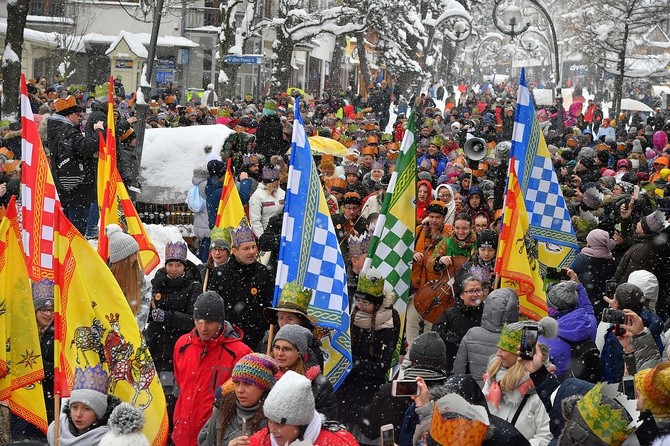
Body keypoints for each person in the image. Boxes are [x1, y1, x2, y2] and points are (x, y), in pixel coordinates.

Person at [173, 291, 253, 446]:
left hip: (215, 438)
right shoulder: (182, 345)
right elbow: (181, 386)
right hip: (181, 435)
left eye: (210, 322)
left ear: (221, 321)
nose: (203, 328)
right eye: (199, 320)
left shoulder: (240, 353)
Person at [336, 270, 401, 434]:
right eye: (358, 300)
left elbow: (381, 365)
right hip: (347, 383)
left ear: (377, 304)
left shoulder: (389, 321)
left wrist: (353, 362)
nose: (360, 306)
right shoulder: (354, 314)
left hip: (369, 387)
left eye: (365, 303)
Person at [146, 240, 202, 428]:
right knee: (154, 394)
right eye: (170, 264)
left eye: (178, 265)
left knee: (173, 396)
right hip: (156, 348)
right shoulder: (156, 284)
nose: (174, 269)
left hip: (178, 349)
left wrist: (167, 317)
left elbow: (191, 319)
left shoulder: (193, 287)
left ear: (184, 266)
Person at [360, 332, 449, 445]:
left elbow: (368, 429)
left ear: (412, 359)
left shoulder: (392, 391)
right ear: (442, 362)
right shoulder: (451, 397)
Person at [482, 319, 557, 446]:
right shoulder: (493, 377)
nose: (497, 354)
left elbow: (545, 437)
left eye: (503, 349)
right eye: (498, 347)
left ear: (519, 353)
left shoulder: (540, 389)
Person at [248, 371, 357, 446]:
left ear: (300, 424)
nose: (271, 430)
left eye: (279, 424)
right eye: (270, 421)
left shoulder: (337, 443)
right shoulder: (261, 441)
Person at [46, 95, 104, 234]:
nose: (80, 117)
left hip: (64, 184)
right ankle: (75, 254)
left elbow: (76, 151)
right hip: (78, 187)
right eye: (77, 114)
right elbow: (88, 147)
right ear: (69, 115)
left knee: (67, 226)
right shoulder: (69, 131)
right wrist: (99, 131)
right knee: (77, 229)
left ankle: (68, 252)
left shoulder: (55, 130)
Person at [198, 353, 279, 446]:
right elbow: (208, 442)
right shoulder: (223, 406)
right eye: (236, 383)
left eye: (247, 384)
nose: (240, 390)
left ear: (263, 387)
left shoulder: (273, 416)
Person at [11, 279, 56, 441]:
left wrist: (37, 367)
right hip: (22, 401)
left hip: (47, 404)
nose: (48, 314)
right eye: (43, 309)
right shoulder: (23, 334)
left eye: (51, 309)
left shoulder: (59, 336)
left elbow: (60, 370)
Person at [217, 223, 274, 349]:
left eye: (253, 247)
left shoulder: (264, 273)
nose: (252, 252)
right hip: (228, 340)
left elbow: (270, 307)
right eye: (246, 248)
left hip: (257, 341)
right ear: (235, 251)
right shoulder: (219, 275)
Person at [453, 287, 519, 386]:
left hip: (476, 392)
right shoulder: (516, 338)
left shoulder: (472, 333)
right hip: (506, 391)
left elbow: (459, 368)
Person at [270, 324, 338, 420]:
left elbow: (326, 421)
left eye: (287, 349)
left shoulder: (319, 384)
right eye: (277, 347)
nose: (280, 353)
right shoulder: (266, 376)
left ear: (300, 353)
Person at [540, 276, 599, 382]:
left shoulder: (544, 338)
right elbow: (588, 308)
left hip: (561, 389)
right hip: (587, 385)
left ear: (552, 307)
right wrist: (579, 287)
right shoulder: (590, 323)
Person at [47, 365, 122, 446]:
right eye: (74, 407)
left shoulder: (112, 440)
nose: (78, 414)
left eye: (86, 409)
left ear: (98, 413)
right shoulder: (57, 431)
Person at [259, 281, 324, 368]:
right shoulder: (267, 341)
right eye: (281, 318)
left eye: (290, 319)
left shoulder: (312, 347)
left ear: (302, 321)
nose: (284, 323)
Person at [432, 276, 486, 374]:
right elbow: (436, 335)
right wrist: (457, 342)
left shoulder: (489, 314)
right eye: (470, 291)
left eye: (478, 290)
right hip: (454, 368)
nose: (475, 294)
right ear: (461, 295)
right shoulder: (449, 314)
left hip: (481, 369)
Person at [106, 224, 151, 330]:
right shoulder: (105, 281)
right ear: (120, 259)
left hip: (134, 337)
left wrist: (128, 328)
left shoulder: (141, 280)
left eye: (135, 253)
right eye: (130, 255)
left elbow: (143, 313)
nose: (135, 258)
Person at [248, 166, 285, 239]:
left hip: (281, 231)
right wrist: (262, 238)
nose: (278, 183)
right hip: (266, 232)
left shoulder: (282, 193)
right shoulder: (257, 195)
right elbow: (255, 220)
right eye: (276, 181)